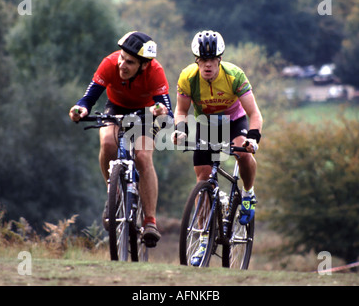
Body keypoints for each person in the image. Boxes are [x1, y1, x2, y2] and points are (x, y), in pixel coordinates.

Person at [69, 31, 173, 248]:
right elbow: (88, 98)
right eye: (122, 58)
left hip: (144, 114)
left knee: (143, 156)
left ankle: (150, 221)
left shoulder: (155, 72)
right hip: (115, 109)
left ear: (143, 65)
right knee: (107, 143)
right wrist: (79, 109)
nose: (122, 65)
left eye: (130, 62)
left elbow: (167, 111)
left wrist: (162, 113)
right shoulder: (109, 63)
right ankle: (113, 194)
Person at [172, 30, 263, 265]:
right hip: (209, 123)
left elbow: (254, 113)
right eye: (203, 60)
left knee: (242, 153)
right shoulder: (187, 78)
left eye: (212, 60)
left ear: (219, 60)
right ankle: (204, 237)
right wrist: (180, 129)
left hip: (234, 121)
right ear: (197, 61)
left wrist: (253, 139)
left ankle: (248, 193)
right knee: (203, 178)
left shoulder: (234, 75)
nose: (208, 65)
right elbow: (181, 111)